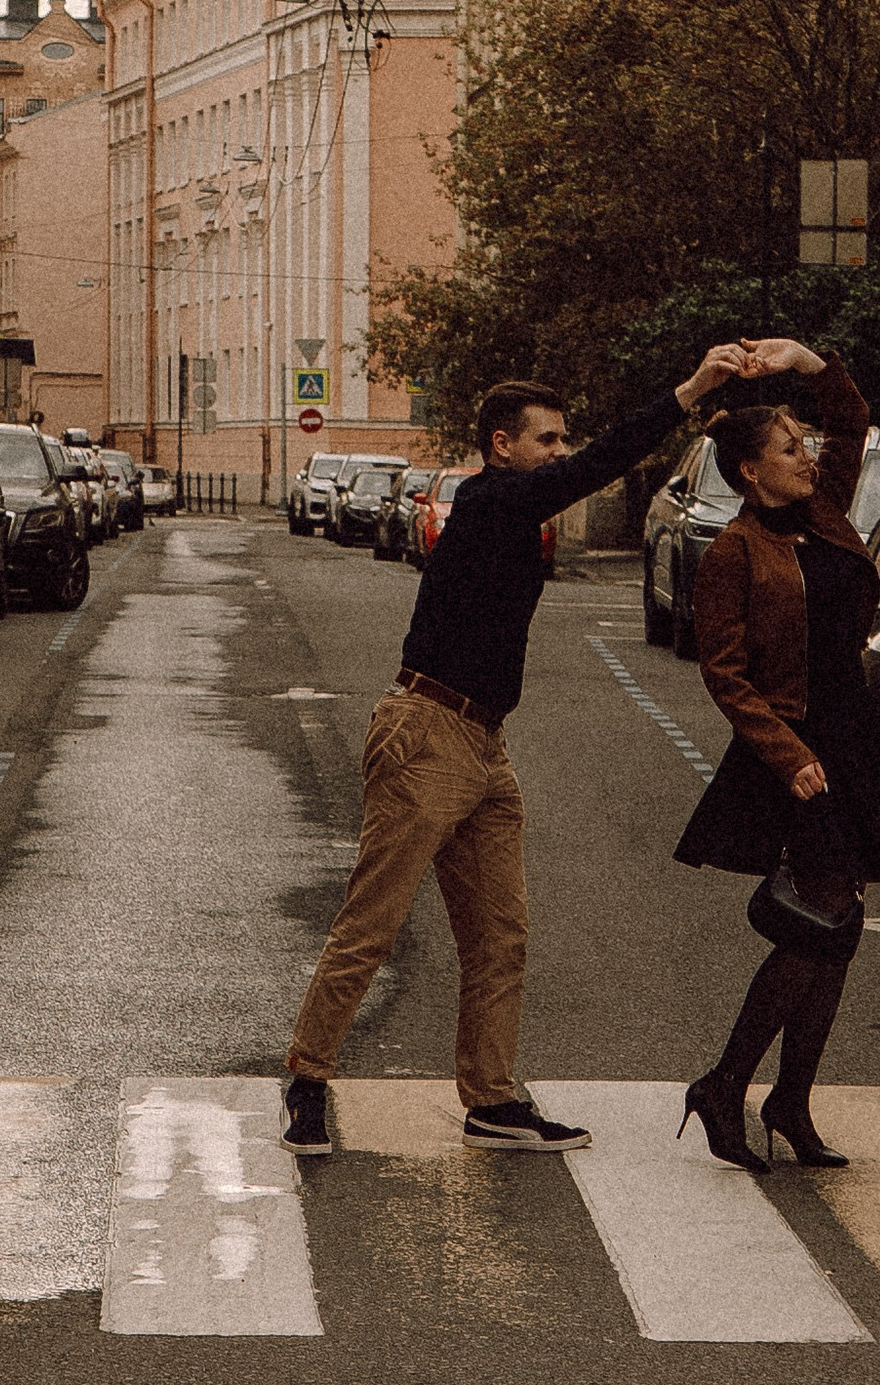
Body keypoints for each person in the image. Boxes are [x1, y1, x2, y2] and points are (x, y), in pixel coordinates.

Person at [283, 342, 753, 1154]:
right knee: (373, 925)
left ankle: (492, 1100)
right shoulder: (490, 499)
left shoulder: (512, 506)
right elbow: (601, 464)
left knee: (500, 936)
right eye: (548, 439)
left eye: (563, 439)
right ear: (504, 445)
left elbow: (585, 467)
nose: (561, 453)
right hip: (427, 733)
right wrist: (689, 391)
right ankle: (307, 1080)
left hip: (484, 745)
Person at [671, 342, 880, 1169]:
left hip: (852, 738)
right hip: (796, 749)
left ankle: (790, 1100)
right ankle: (726, 1083)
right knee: (818, 918)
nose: (808, 457)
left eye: (804, 445)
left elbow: (853, 418)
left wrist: (808, 360)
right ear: (749, 472)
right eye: (790, 449)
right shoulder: (733, 554)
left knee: (840, 922)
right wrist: (787, 753)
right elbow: (724, 673)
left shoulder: (825, 512)